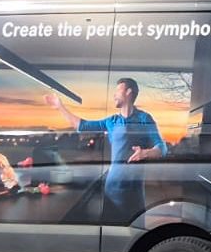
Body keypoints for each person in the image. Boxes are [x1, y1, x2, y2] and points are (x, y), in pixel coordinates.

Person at [46, 77, 165, 220]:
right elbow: (81, 126)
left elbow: (162, 148)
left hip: (135, 194)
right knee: (111, 235)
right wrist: (60, 106)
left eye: (118, 90)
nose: (114, 95)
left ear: (129, 92)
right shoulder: (111, 121)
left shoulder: (145, 119)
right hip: (112, 191)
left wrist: (145, 153)